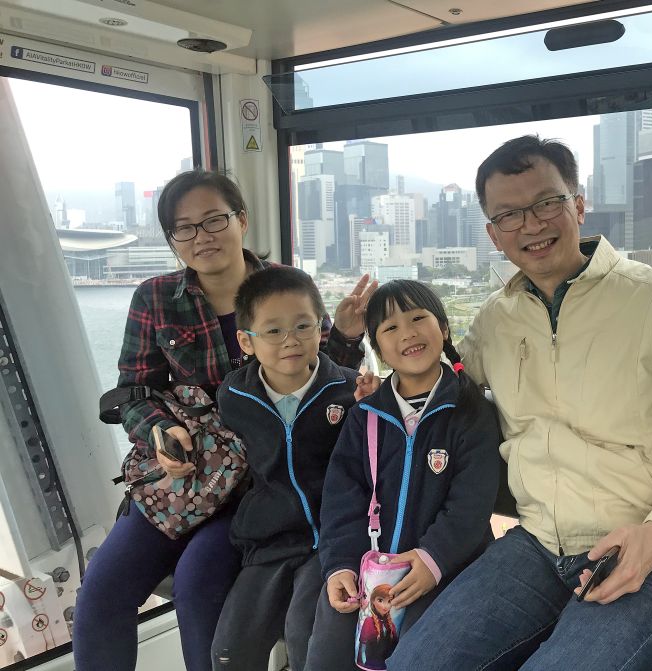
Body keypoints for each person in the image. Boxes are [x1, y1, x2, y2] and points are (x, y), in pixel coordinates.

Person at [385, 136, 652, 670]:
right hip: (535, 546)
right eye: (509, 214)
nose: (532, 225)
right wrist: (347, 354)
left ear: (578, 205)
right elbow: (441, 384)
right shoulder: (497, 317)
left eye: (547, 202)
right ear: (493, 234)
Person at [73, 170, 372, 671]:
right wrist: (158, 433)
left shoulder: (283, 287)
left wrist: (343, 334)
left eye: (214, 220)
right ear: (172, 240)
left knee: (197, 587)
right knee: (101, 594)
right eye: (184, 228)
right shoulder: (154, 298)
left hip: (257, 485)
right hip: (183, 477)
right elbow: (132, 391)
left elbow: (321, 379)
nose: (202, 237)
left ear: (242, 221)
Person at [305, 279, 501, 671]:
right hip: (369, 569)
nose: (408, 333)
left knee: (418, 654)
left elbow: (471, 503)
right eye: (390, 328)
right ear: (377, 347)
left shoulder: (470, 411)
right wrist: (340, 565)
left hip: (447, 570)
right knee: (327, 649)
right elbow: (343, 497)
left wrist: (433, 559)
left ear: (443, 329)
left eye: (418, 318)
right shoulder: (366, 415)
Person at [210, 265, 360, 670]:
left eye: (303, 326)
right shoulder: (235, 396)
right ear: (246, 341)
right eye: (273, 331)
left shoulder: (347, 390)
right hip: (269, 541)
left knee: (304, 638)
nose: (290, 340)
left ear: (320, 329)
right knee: (230, 651)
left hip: (329, 543)